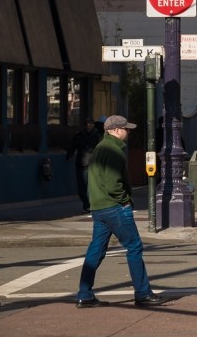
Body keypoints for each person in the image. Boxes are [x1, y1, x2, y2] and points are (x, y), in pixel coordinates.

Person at [75, 116, 171, 309]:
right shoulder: (112, 150)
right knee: (134, 247)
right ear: (116, 130)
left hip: (100, 207)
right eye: (126, 129)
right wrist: (125, 201)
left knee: (96, 251)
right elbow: (112, 183)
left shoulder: (100, 148)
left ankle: (84, 294)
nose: (129, 132)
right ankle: (143, 293)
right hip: (114, 207)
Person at [65, 119, 104, 213]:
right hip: (81, 164)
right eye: (86, 124)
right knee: (82, 186)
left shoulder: (97, 136)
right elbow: (72, 146)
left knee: (91, 185)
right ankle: (87, 204)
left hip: (93, 164)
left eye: (90, 124)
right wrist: (69, 156)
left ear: (93, 125)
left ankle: (92, 204)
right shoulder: (79, 136)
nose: (88, 126)